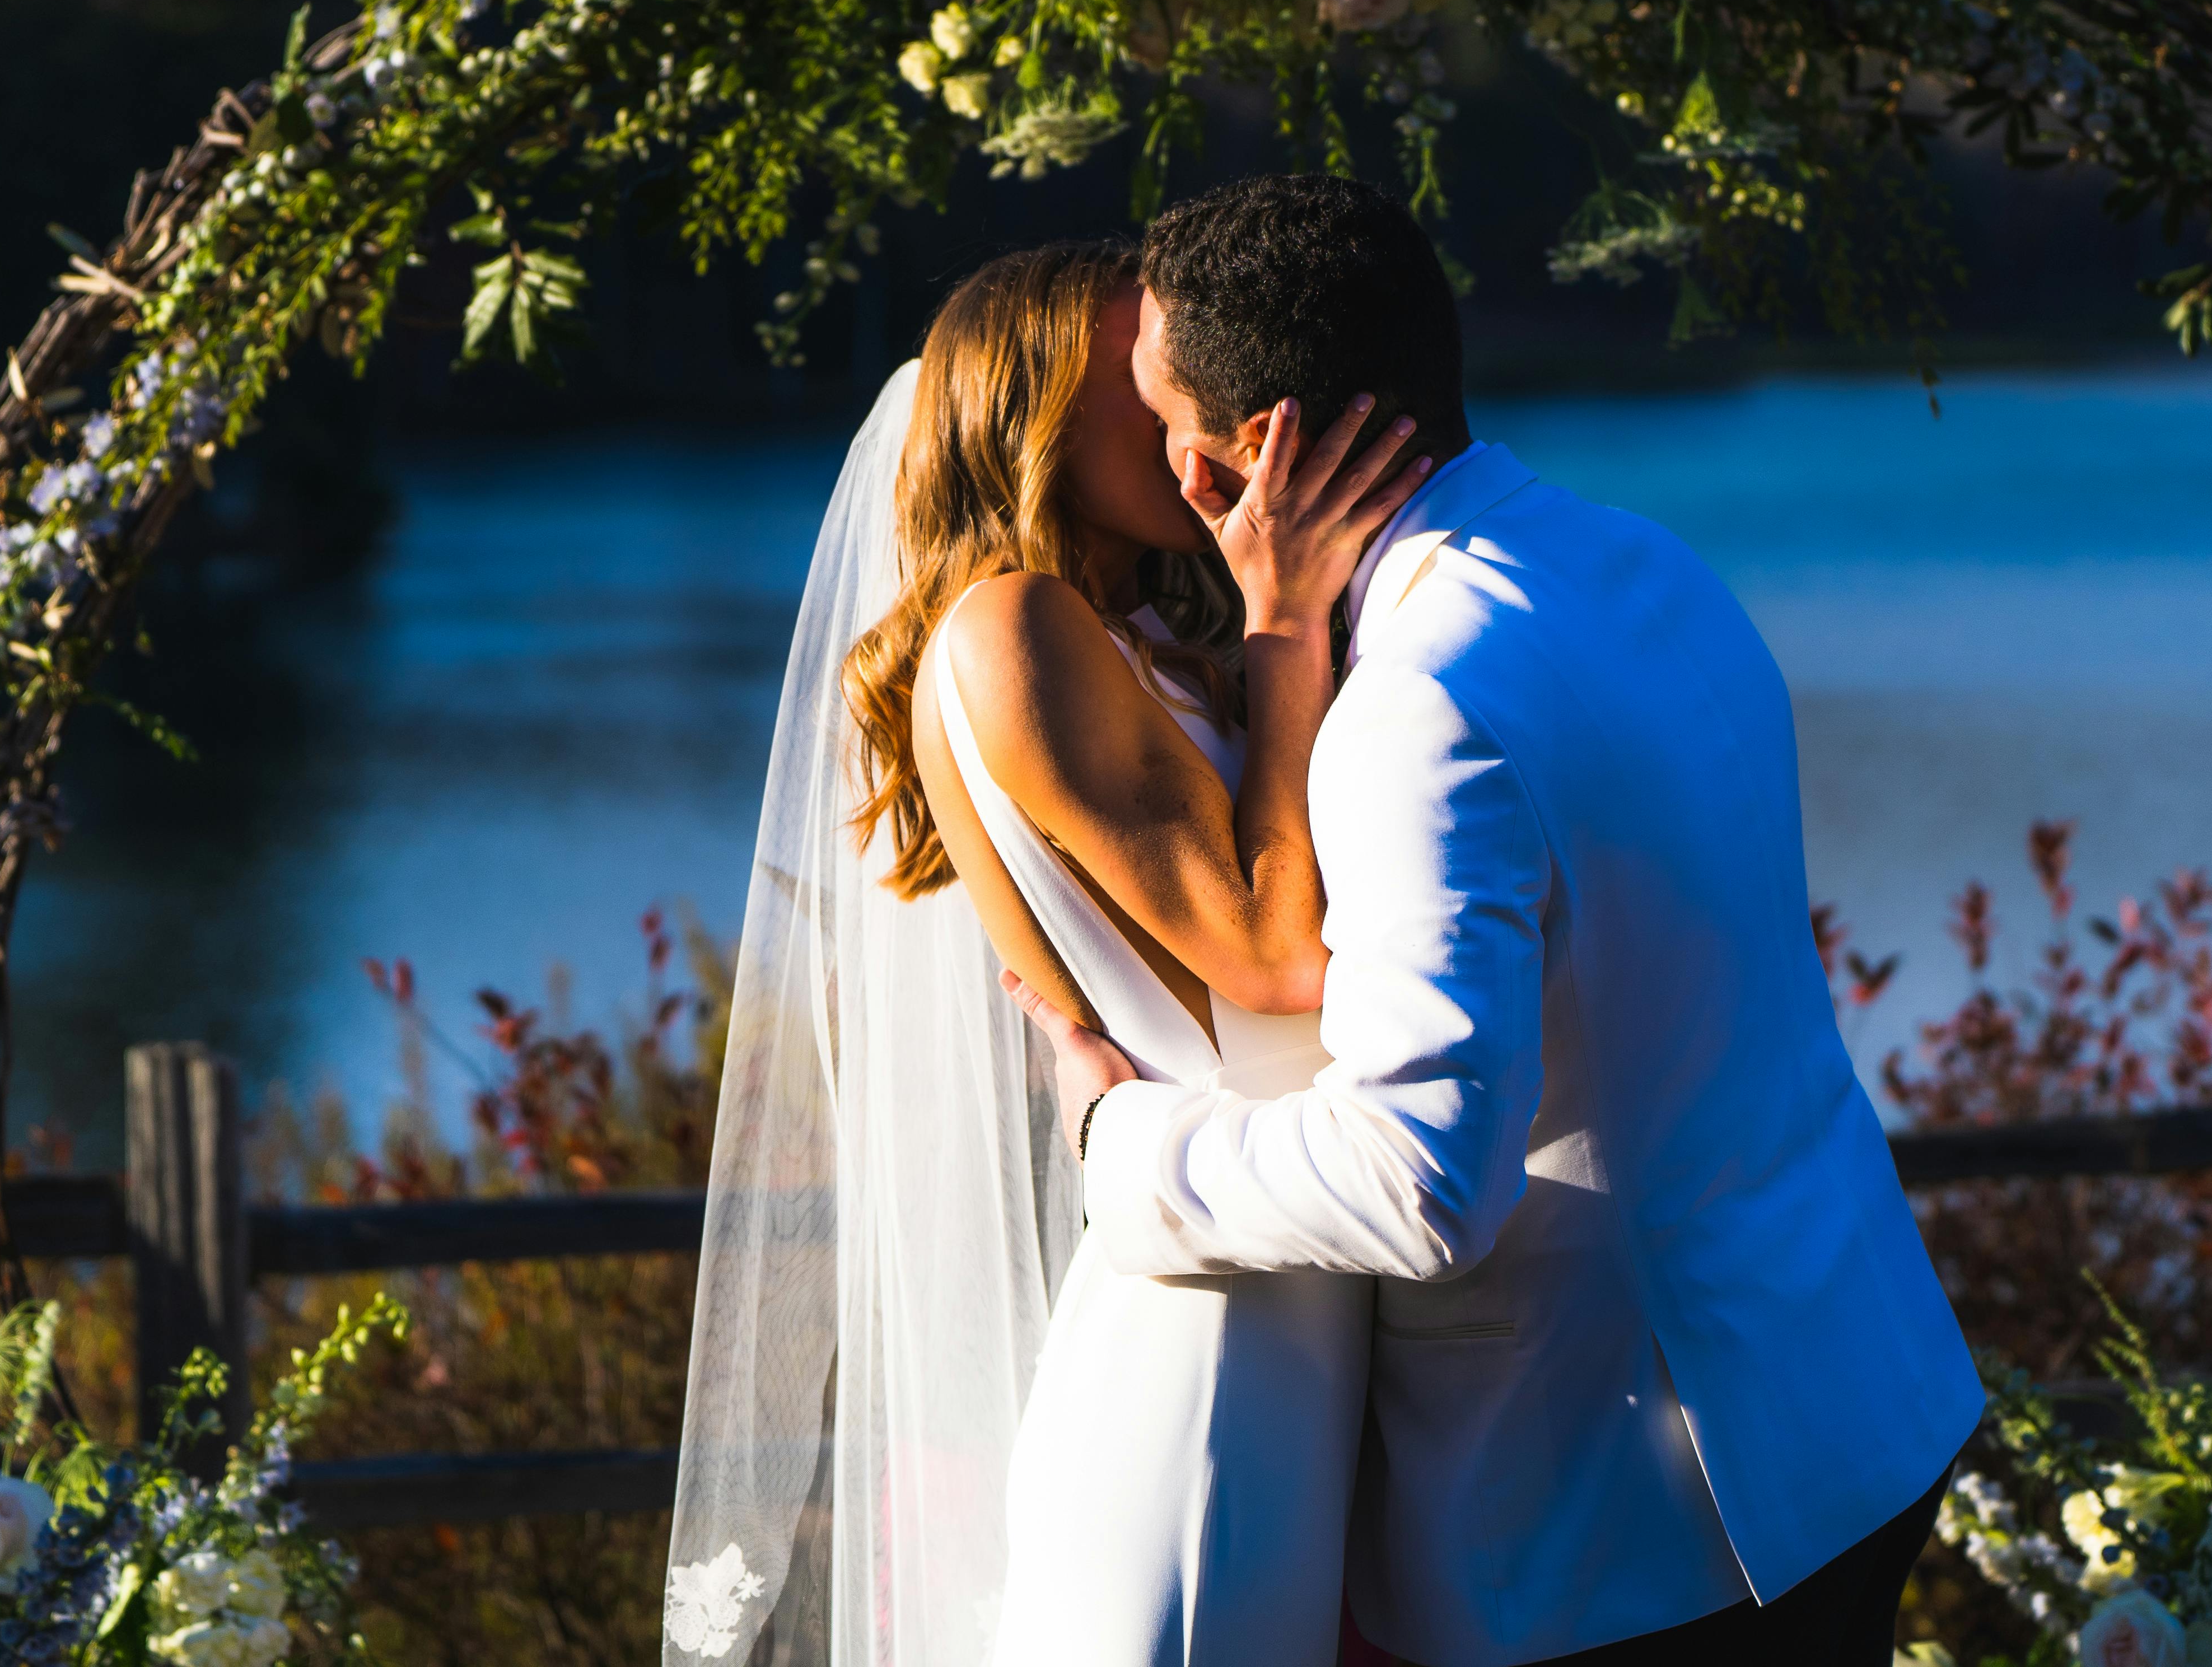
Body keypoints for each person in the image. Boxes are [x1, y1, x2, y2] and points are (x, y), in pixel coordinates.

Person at [1006, 175, 1983, 1667]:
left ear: (1246, 457)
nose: (1174, 479)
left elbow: (1418, 1186)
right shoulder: (1645, 563)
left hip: (1635, 1529)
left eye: (1168, 426)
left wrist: (1119, 1141)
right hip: (1856, 1400)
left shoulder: (1420, 702)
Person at [663, 237, 1426, 1667]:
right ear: (1032, 410)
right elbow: (1274, 958)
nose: (1185, 401)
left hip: (1288, 1273)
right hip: (1213, 1341)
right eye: (1142, 377)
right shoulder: (1009, 628)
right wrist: (1280, 621)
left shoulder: (1132, 633)